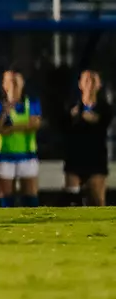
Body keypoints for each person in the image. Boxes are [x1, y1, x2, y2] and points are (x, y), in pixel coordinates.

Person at [0, 70, 41, 208]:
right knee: (6, 200)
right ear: (4, 85)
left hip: (27, 155)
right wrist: (5, 112)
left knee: (30, 198)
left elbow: (34, 124)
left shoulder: (32, 103)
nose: (14, 85)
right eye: (11, 81)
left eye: (17, 81)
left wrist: (10, 128)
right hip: (5, 156)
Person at [63, 70, 111, 207]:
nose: (90, 84)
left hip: (96, 158)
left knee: (97, 200)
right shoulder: (71, 106)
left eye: (93, 80)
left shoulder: (104, 108)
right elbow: (64, 126)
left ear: (99, 85)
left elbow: (101, 123)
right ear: (80, 84)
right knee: (71, 199)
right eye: (86, 80)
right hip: (75, 158)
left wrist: (81, 116)